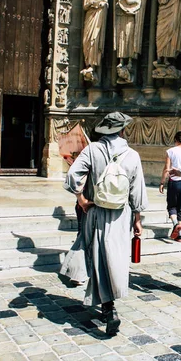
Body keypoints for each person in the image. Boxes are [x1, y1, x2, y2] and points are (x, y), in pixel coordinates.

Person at [64, 112, 148, 336]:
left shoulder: (92, 150)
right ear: (122, 130)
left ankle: (109, 309)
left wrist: (81, 199)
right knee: (115, 258)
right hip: (121, 216)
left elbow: (73, 176)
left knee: (100, 257)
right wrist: (138, 220)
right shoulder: (132, 155)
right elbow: (137, 192)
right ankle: (108, 306)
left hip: (97, 212)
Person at [159, 131, 181, 242]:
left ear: (175, 139)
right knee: (180, 209)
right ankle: (180, 235)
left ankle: (175, 225)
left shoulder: (171, 151)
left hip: (174, 181)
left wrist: (162, 183)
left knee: (171, 206)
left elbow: (167, 169)